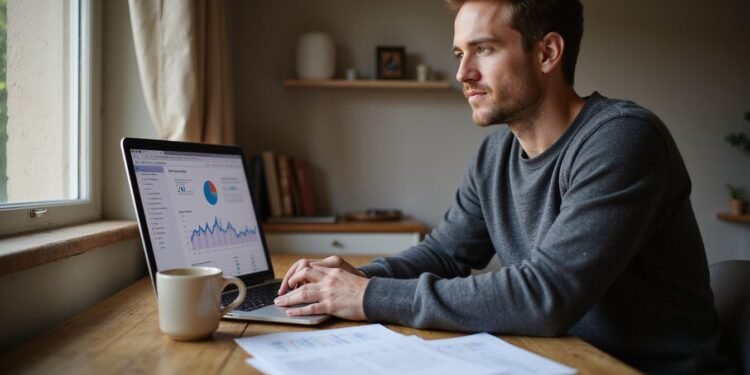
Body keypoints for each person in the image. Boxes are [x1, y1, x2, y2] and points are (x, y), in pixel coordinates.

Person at [274, 0, 731, 372]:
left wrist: (368, 297)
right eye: (459, 53)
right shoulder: (496, 155)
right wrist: (353, 280)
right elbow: (445, 254)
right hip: (559, 360)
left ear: (548, 53)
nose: (463, 73)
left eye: (484, 50)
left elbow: (546, 296)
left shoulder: (623, 139)